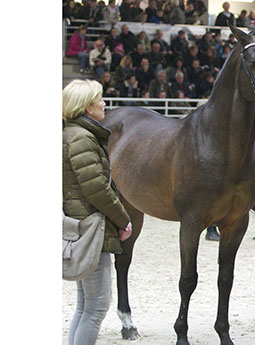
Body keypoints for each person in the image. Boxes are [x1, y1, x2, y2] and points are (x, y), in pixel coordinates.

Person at [63, 79, 133, 345]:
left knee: (84, 307)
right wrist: (123, 218)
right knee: (96, 309)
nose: (104, 103)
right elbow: (97, 190)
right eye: (99, 99)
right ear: (85, 106)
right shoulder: (82, 138)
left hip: (82, 226)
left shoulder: (73, 134)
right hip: (91, 230)